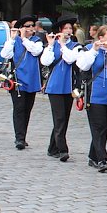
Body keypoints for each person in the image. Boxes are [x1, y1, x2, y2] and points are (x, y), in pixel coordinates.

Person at [76, 25, 107, 173]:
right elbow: (83, 66)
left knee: (104, 127)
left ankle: (93, 156)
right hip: (95, 94)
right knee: (98, 126)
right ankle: (101, 159)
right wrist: (95, 50)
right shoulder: (90, 50)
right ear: (101, 37)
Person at [40, 17, 83, 161]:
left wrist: (63, 45)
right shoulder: (52, 44)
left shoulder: (76, 45)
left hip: (69, 85)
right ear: (60, 30)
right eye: (66, 29)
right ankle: (62, 149)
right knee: (59, 118)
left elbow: (70, 59)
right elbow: (45, 61)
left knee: (64, 119)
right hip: (55, 86)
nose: (69, 31)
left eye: (70, 29)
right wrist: (51, 45)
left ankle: (52, 148)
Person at [0, 15, 44, 150]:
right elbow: (5, 55)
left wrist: (25, 38)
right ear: (21, 28)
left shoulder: (37, 40)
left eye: (32, 26)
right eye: (27, 26)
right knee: (19, 109)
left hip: (31, 79)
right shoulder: (14, 41)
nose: (31, 28)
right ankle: (19, 138)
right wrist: (13, 38)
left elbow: (36, 51)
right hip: (18, 79)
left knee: (27, 109)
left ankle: (23, 136)